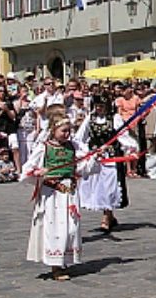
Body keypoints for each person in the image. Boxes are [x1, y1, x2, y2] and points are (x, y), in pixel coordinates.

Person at [21, 114, 98, 281]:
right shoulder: (44, 147)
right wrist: (38, 173)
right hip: (52, 195)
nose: (67, 134)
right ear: (53, 130)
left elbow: (83, 168)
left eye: (69, 131)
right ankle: (55, 266)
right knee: (55, 229)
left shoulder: (73, 146)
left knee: (70, 228)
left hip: (69, 193)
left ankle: (64, 259)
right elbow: (27, 171)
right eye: (63, 131)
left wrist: (93, 157)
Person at [74, 96, 129, 233]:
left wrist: (131, 148)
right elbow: (80, 137)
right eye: (97, 105)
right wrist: (87, 150)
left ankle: (106, 216)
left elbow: (123, 135)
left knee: (109, 187)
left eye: (102, 105)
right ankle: (109, 215)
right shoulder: (90, 118)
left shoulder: (114, 118)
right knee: (98, 187)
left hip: (110, 157)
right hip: (96, 157)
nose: (99, 108)